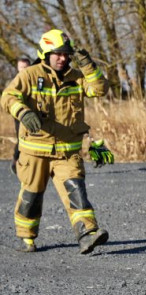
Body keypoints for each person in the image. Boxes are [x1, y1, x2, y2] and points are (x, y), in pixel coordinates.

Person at [2, 29, 113, 253]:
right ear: (45, 54)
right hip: (35, 152)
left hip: (67, 152)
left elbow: (101, 89)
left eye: (66, 54)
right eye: (57, 54)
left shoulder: (77, 77)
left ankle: (87, 234)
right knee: (31, 195)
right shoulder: (30, 75)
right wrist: (23, 112)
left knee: (76, 191)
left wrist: (88, 64)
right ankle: (27, 238)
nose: (63, 58)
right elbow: (8, 97)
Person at [9, 55, 31, 175]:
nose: (23, 70)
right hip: (18, 113)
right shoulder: (14, 82)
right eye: (21, 67)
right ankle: (15, 161)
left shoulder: (34, 79)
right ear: (18, 68)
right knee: (21, 138)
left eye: (26, 67)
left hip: (32, 113)